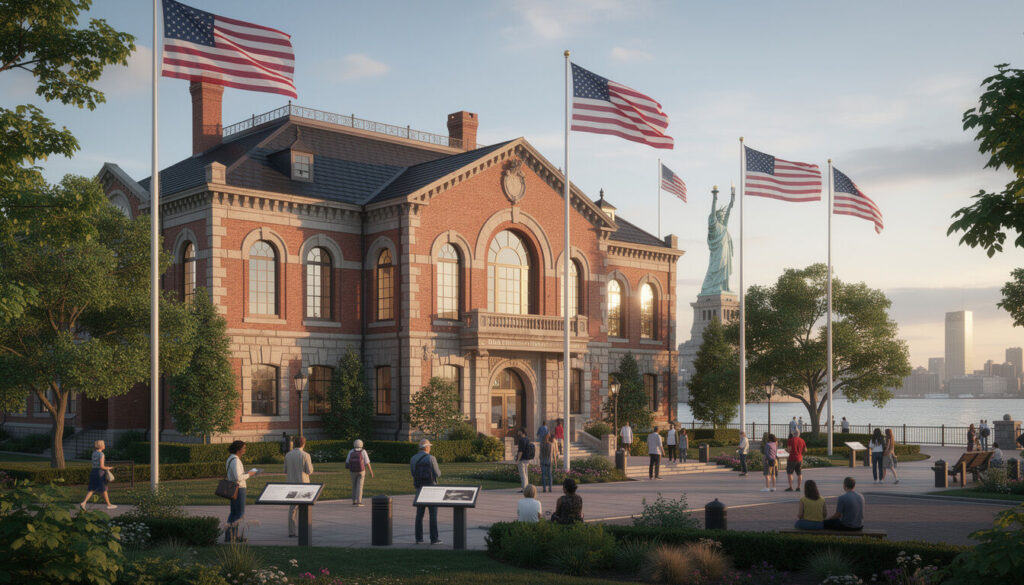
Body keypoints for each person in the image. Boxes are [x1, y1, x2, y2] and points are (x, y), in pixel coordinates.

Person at [224, 440, 260, 542]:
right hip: (238, 489)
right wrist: (250, 474)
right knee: (239, 514)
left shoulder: (231, 458)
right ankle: (233, 537)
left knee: (234, 513)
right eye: (244, 448)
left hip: (233, 488)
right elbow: (239, 477)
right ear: (238, 449)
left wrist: (246, 473)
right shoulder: (235, 460)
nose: (245, 450)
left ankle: (230, 536)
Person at [410, 439, 442, 545]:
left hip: (419, 489)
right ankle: (434, 538)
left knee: (419, 515)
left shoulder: (413, 458)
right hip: (431, 489)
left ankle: (419, 538)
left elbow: (413, 473)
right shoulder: (431, 458)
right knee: (433, 515)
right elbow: (438, 473)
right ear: (427, 447)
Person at [284, 436, 314, 536]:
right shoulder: (305, 455)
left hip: (291, 484)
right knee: (304, 509)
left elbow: (285, 470)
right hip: (303, 484)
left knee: (292, 509)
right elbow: (309, 471)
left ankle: (291, 531)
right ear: (304, 444)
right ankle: (304, 530)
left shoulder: (288, 455)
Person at [79, 440, 117, 510]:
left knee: (92, 488)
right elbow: (102, 466)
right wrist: (108, 468)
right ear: (101, 446)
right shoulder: (101, 454)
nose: (105, 445)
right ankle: (108, 505)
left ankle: (84, 502)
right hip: (100, 473)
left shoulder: (93, 453)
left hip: (93, 471)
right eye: (104, 444)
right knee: (104, 488)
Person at [345, 438, 374, 506]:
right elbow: (367, 463)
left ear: (354, 444)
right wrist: (371, 472)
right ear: (362, 444)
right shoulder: (363, 451)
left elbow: (347, 462)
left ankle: (354, 501)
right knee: (360, 486)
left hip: (352, 471)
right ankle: (359, 502)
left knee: (354, 486)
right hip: (361, 471)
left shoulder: (351, 451)